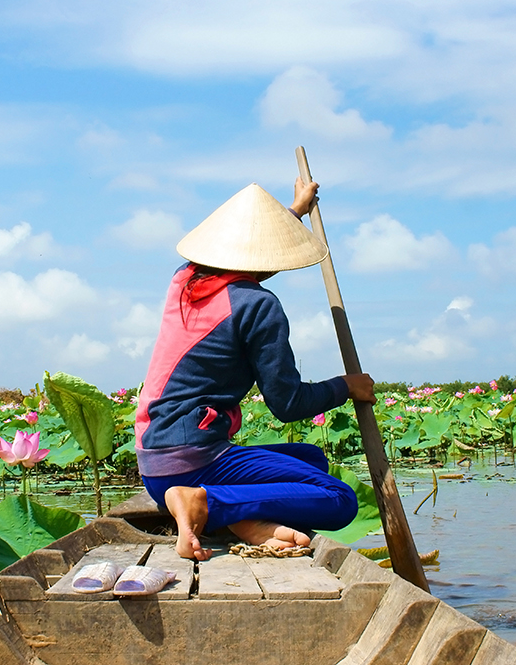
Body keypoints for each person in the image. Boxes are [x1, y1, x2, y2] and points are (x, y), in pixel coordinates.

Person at [134, 178, 376, 560]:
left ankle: (234, 515)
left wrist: (294, 210)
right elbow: (288, 402)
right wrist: (346, 386)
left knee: (311, 460)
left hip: (154, 463)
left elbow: (249, 250)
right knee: (339, 498)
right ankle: (207, 504)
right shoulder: (258, 306)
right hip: (193, 462)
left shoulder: (184, 279)